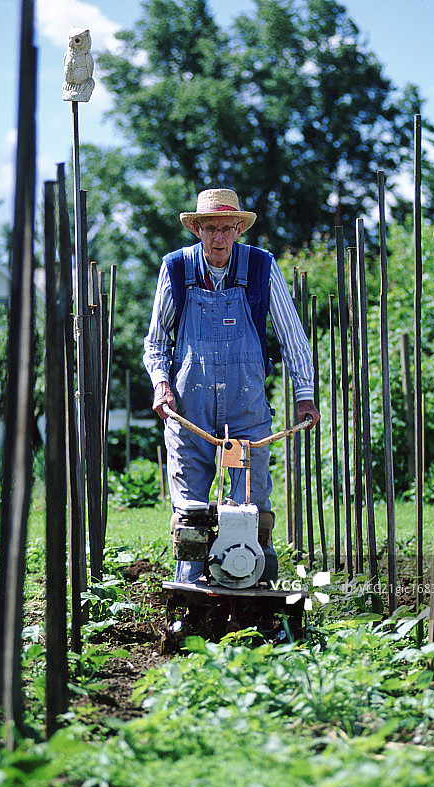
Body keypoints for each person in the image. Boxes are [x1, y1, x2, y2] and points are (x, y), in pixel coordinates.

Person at [143, 188, 320, 584]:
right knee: (190, 516)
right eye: (210, 229)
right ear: (198, 230)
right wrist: (161, 385)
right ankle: (190, 597)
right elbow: (155, 341)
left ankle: (259, 598)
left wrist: (304, 394)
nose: (218, 238)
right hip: (190, 413)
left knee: (252, 511)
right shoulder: (175, 269)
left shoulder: (261, 267)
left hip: (247, 412)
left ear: (239, 229)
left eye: (226, 228)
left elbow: (293, 335)